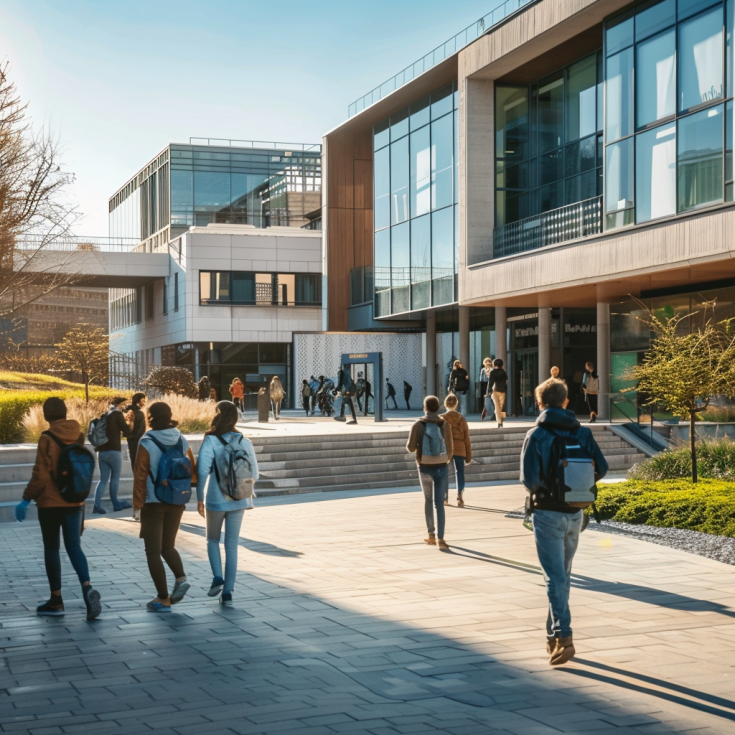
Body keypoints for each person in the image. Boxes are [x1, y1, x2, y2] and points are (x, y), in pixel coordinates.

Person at [520, 378, 608, 666]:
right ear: (566, 402)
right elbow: (603, 467)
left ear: (540, 402)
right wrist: (577, 484)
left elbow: (529, 479)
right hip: (576, 512)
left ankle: (565, 636)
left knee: (554, 577)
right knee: (562, 577)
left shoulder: (536, 435)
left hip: (547, 514)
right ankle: (551, 637)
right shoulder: (582, 433)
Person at [14, 397, 102, 620]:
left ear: (46, 415)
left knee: (52, 548)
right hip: (75, 500)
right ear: (64, 412)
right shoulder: (78, 434)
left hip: (51, 503)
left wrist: (26, 498)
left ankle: (56, 600)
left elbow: (41, 474)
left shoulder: (47, 438)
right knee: (74, 546)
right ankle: (87, 587)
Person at [133, 401, 197, 613]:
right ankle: (181, 578)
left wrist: (137, 505)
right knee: (167, 545)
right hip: (177, 500)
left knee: (153, 552)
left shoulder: (147, 441)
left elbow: (140, 476)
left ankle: (163, 598)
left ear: (150, 417)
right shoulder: (180, 438)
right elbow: (192, 468)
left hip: (154, 502)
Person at [196, 401, 258, 607]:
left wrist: (199, 498)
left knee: (212, 540)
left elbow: (202, 471)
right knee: (232, 545)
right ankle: (228, 592)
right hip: (240, 500)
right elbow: (255, 473)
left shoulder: (211, 440)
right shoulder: (244, 441)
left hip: (215, 498)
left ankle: (217, 577)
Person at [406, 396, 454, 551]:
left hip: (424, 466)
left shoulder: (418, 424)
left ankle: (431, 534)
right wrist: (446, 459)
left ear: (425, 407)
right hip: (441, 466)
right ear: (438, 407)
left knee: (428, 500)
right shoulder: (444, 424)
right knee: (439, 503)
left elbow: (410, 447)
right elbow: (450, 446)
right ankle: (441, 538)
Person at [92, 396, 133, 514]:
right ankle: (116, 503)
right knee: (114, 479)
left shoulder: (104, 415)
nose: (125, 407)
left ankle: (96, 506)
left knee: (103, 480)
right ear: (118, 405)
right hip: (114, 451)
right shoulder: (117, 415)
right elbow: (127, 431)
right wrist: (130, 422)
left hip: (102, 452)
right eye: (124, 405)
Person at [442, 394, 472, 507]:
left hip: (446, 449)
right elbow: (466, 439)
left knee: (444, 472)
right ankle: (460, 496)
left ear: (445, 404)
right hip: (460, 448)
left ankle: (445, 497)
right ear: (456, 404)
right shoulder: (462, 420)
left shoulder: (442, 419)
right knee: (459, 472)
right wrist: (468, 456)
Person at [489, 359, 508, 429]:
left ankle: (499, 421)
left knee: (497, 406)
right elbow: (506, 379)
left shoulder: (493, 372)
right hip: (503, 390)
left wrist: (489, 390)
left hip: (495, 390)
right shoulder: (503, 372)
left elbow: (491, 382)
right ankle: (501, 418)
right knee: (501, 405)